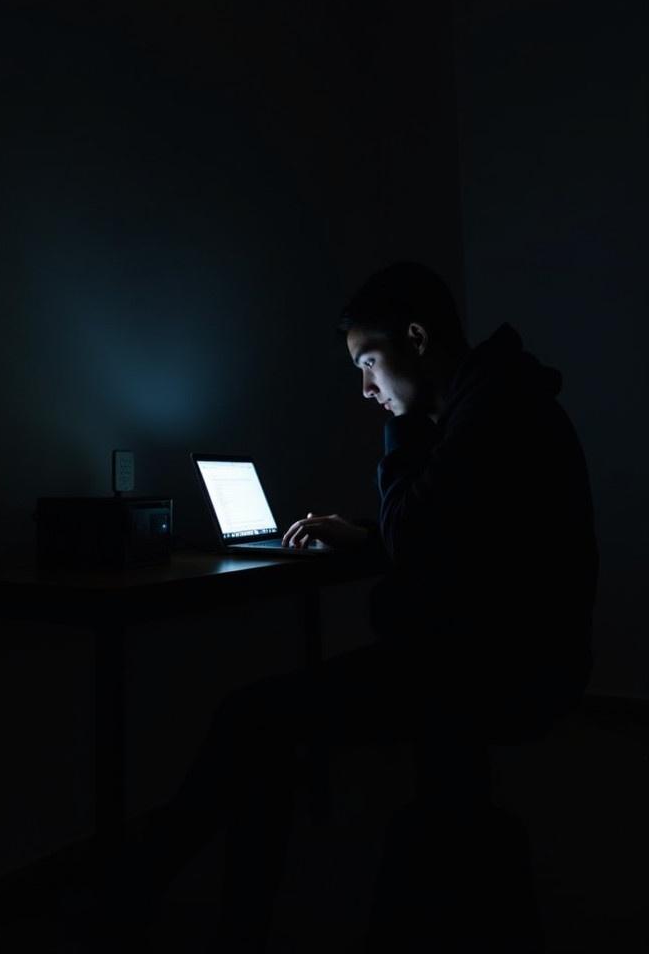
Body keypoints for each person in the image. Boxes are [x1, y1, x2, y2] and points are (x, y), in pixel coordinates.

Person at [83, 262, 598, 952]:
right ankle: (161, 898)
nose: (366, 389)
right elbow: (463, 531)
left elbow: (424, 533)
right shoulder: (498, 398)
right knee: (261, 721)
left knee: (252, 717)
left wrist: (404, 438)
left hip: (489, 668)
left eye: (369, 363)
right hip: (510, 653)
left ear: (416, 338)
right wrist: (370, 530)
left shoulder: (488, 413)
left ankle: (142, 896)